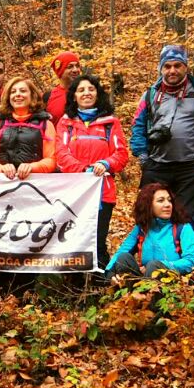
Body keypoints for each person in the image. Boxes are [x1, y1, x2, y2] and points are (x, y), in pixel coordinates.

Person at [130, 44, 194, 234]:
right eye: (167, 66)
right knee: (150, 215)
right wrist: (143, 157)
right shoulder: (150, 95)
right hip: (157, 165)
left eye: (177, 65)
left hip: (191, 166)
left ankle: (190, 260)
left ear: (186, 67)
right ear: (161, 68)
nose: (172, 71)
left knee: (190, 217)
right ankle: (153, 258)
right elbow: (137, 126)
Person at [54, 75, 128, 270]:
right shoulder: (65, 123)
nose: (87, 93)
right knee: (72, 240)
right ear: (74, 96)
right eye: (81, 90)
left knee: (97, 240)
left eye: (91, 89)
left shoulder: (110, 123)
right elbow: (61, 154)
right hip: (72, 193)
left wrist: (106, 163)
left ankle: (101, 285)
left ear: (98, 93)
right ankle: (75, 286)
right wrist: (83, 170)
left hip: (103, 193)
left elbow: (121, 154)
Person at [106, 183, 194, 280]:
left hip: (174, 280)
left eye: (169, 200)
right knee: (123, 258)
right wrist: (109, 273)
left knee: (154, 266)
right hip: (143, 279)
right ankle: (129, 293)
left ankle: (149, 293)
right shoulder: (141, 228)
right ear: (148, 205)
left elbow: (191, 260)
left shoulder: (183, 227)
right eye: (161, 201)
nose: (167, 204)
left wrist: (161, 265)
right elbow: (123, 250)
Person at [0, 75, 57, 179]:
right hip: (3, 182)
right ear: (8, 97)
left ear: (32, 95)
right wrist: (1, 168)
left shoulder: (46, 124)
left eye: (23, 91)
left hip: (35, 183)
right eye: (13, 92)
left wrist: (32, 167)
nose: (18, 94)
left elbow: (51, 160)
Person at [46, 51, 84, 121]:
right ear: (60, 71)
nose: (75, 70)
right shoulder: (48, 97)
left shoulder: (87, 93)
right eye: (70, 67)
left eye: (77, 66)